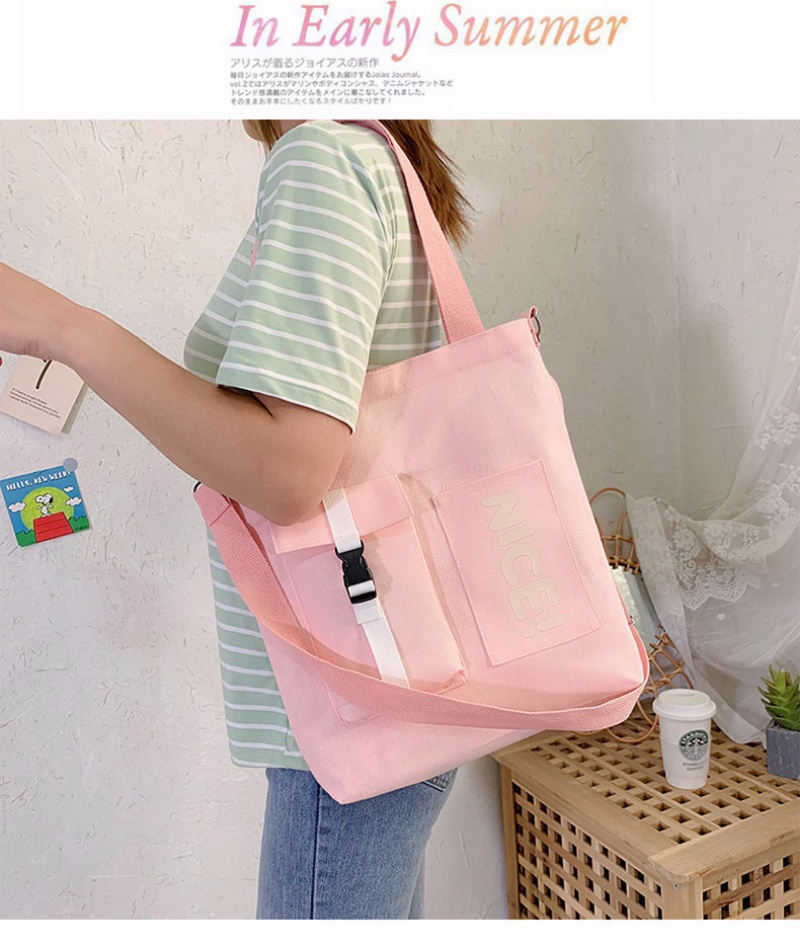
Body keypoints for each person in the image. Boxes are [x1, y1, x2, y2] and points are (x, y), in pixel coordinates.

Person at [0, 118, 475, 919]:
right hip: (392, 687)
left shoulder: (324, 157)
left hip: (346, 710)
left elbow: (287, 472)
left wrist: (64, 327)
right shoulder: (377, 158)